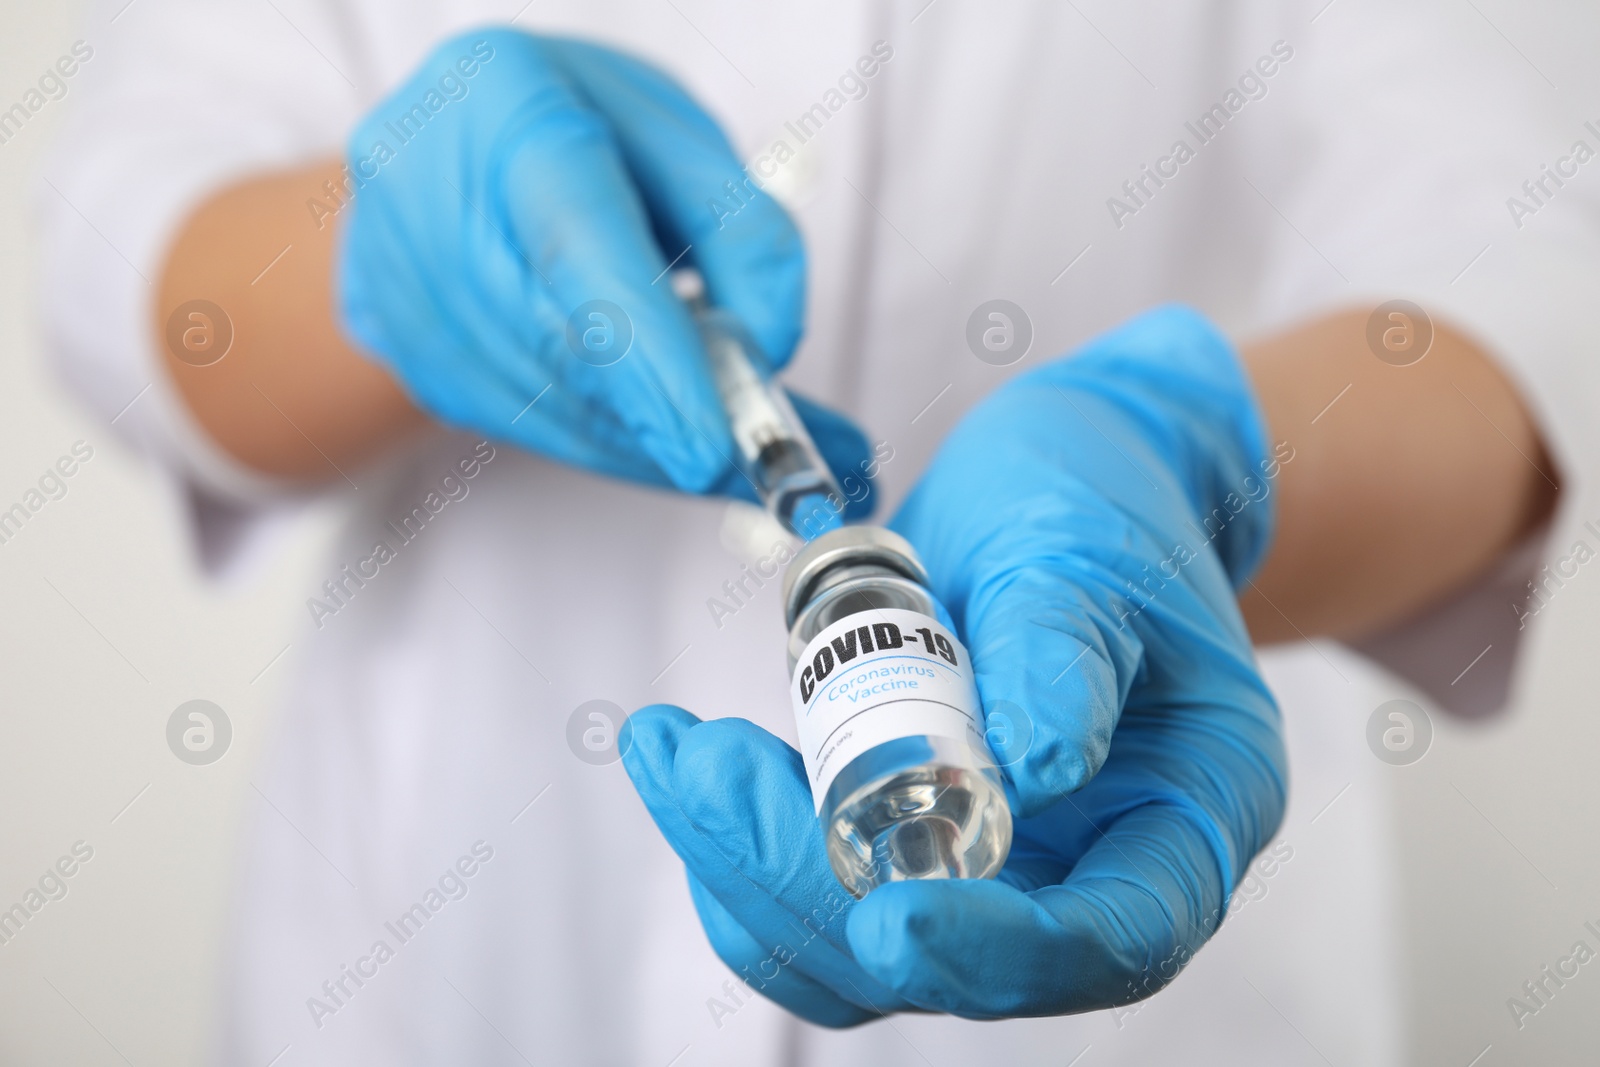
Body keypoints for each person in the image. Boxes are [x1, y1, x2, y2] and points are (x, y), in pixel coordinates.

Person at [39, 1, 1594, 1063]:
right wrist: (381, 263)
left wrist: (1195, 464)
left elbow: (1529, 256)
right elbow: (119, 252)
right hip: (457, 947)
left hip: (1117, 811)